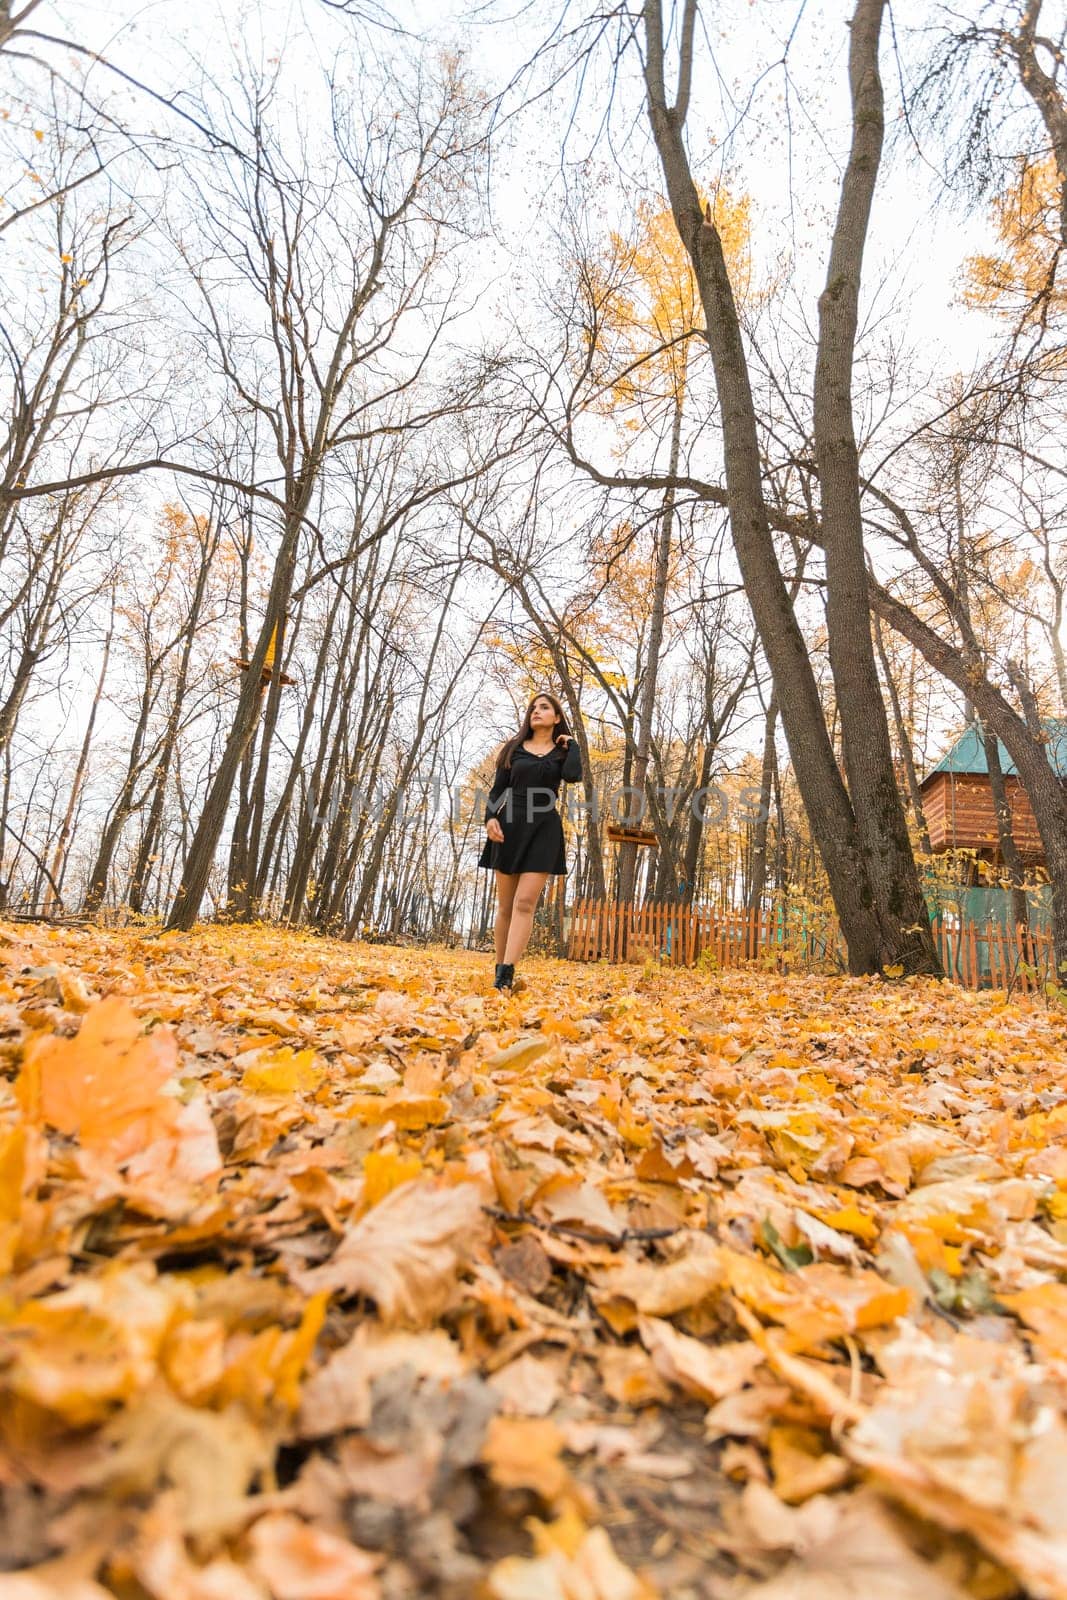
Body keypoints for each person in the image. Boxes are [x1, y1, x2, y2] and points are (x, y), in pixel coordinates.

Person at [478, 691, 583, 991]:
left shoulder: (563, 753)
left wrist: (572, 744)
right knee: (506, 907)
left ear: (557, 717)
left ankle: (507, 974)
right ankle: (499, 971)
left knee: (525, 903)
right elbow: (498, 790)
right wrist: (489, 818)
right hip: (509, 826)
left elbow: (574, 776)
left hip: (544, 829)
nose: (536, 711)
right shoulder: (514, 748)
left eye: (544, 707)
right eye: (533, 708)